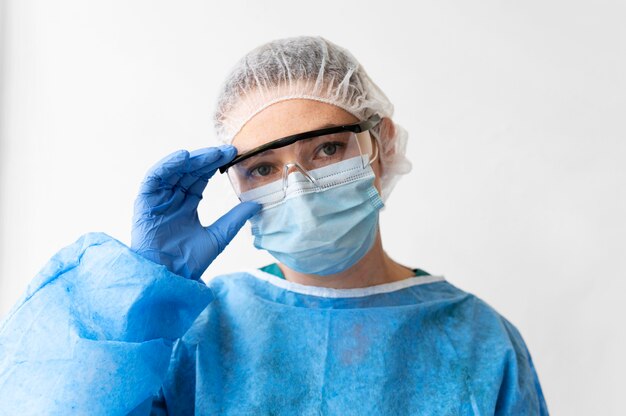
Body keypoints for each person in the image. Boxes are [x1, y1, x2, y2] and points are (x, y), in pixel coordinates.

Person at [0, 36, 548, 415]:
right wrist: (139, 292)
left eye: (328, 149)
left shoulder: (478, 342)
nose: (299, 186)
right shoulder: (198, 332)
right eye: (263, 167)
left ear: (380, 146)